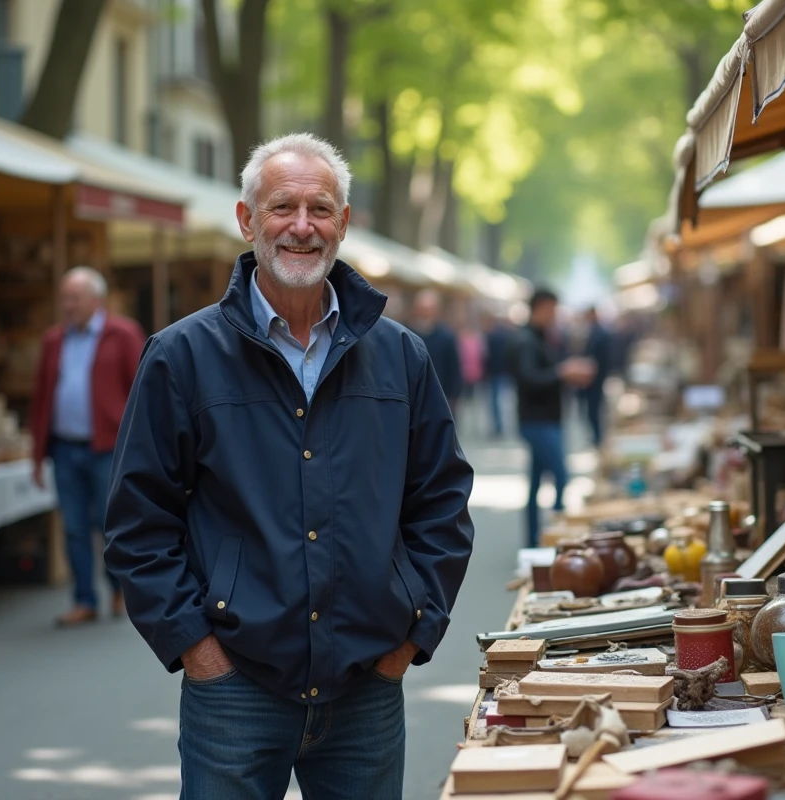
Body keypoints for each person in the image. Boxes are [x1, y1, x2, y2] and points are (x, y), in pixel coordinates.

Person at [103, 132, 475, 800]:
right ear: (247, 221)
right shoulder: (180, 357)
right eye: (282, 208)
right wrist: (197, 649)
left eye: (320, 209)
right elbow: (138, 521)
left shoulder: (400, 357)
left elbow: (443, 505)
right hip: (235, 690)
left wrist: (408, 641)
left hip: (366, 686)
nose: (301, 227)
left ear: (344, 224)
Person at [29, 266, 145, 626]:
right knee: (74, 526)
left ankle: (117, 590)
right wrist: (36, 454)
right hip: (65, 447)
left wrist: (141, 448)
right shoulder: (53, 340)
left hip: (109, 447)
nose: (67, 305)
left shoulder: (123, 334)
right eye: (64, 298)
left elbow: (143, 391)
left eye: (74, 298)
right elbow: (41, 397)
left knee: (111, 523)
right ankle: (84, 600)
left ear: (97, 300)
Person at [511, 288, 595, 547]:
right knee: (560, 476)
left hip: (544, 419)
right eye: (552, 310)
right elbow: (529, 379)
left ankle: (535, 539)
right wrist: (563, 373)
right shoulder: (525, 340)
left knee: (537, 481)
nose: (555, 315)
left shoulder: (540, 337)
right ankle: (556, 536)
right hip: (537, 421)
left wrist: (566, 372)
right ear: (542, 307)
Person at [409, 288, 463, 415]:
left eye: (429, 309)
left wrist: (454, 398)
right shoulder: (407, 334)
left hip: (441, 396)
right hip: (413, 397)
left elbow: (454, 369)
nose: (425, 312)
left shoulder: (446, 336)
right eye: (422, 308)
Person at [580, 306, 611, 446]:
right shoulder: (595, 332)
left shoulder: (600, 333)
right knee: (592, 410)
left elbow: (602, 358)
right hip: (593, 378)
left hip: (595, 379)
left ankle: (598, 437)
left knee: (594, 410)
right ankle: (596, 436)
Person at [483, 314, 511, 437]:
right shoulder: (503, 336)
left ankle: (498, 427)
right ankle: (498, 427)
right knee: (497, 400)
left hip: (494, 372)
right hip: (500, 371)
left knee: (495, 401)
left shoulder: (492, 337)